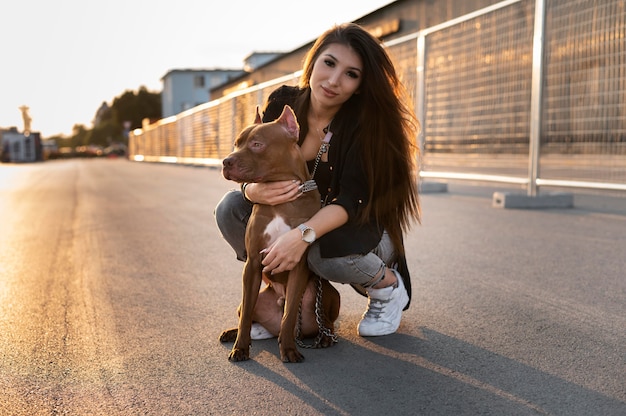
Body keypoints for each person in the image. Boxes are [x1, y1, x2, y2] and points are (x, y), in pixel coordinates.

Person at [215, 23, 421, 337]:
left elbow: (351, 202)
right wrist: (254, 190)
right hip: (303, 217)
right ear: (313, 63)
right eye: (329, 63)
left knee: (319, 247)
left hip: (359, 228)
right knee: (231, 207)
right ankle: (285, 289)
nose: (334, 80)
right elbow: (253, 162)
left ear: (361, 86)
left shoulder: (363, 127)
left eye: (351, 74)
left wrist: (300, 235)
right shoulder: (283, 102)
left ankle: (387, 287)